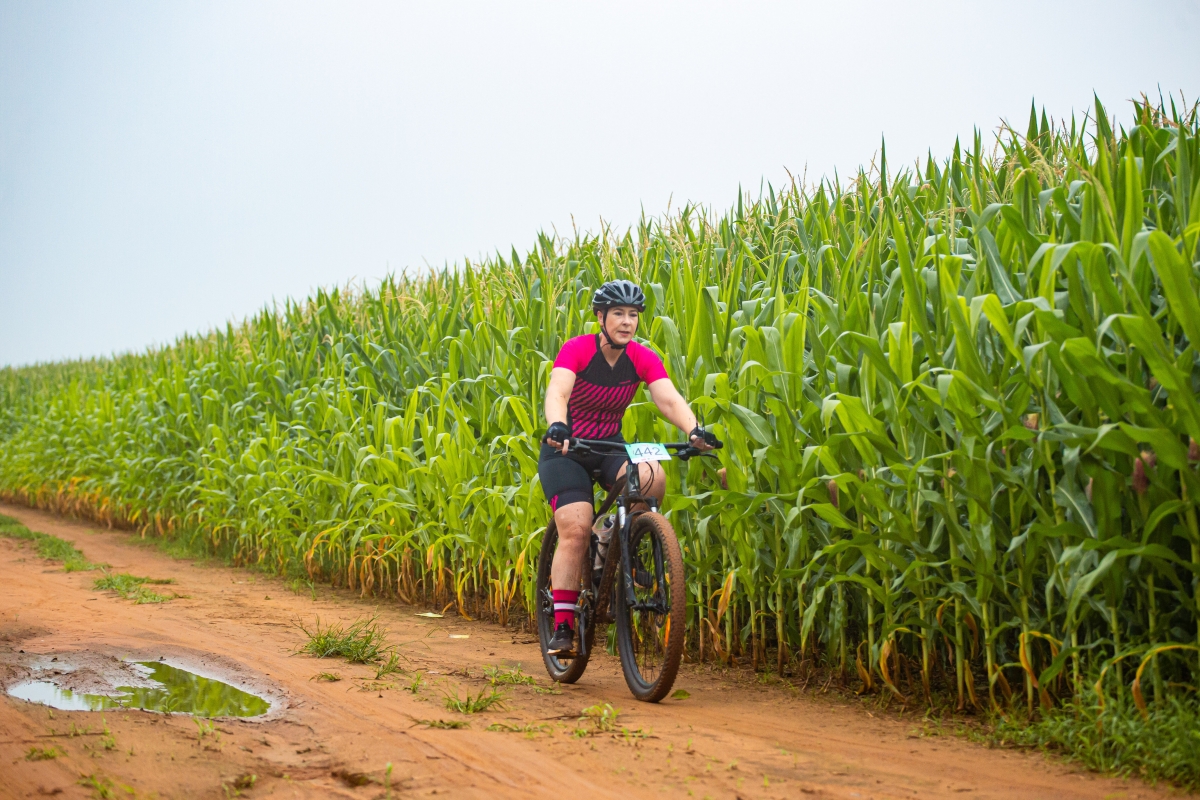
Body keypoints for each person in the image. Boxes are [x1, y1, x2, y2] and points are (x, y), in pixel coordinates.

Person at [539, 279, 717, 655]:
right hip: (566, 449)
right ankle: (563, 625)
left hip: (609, 447)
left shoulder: (641, 357)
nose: (626, 322)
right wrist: (557, 425)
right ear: (600, 317)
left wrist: (694, 430)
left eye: (633, 315)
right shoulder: (578, 349)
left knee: (653, 475)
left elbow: (668, 399)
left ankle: (613, 540)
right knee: (575, 528)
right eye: (618, 313)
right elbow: (558, 391)